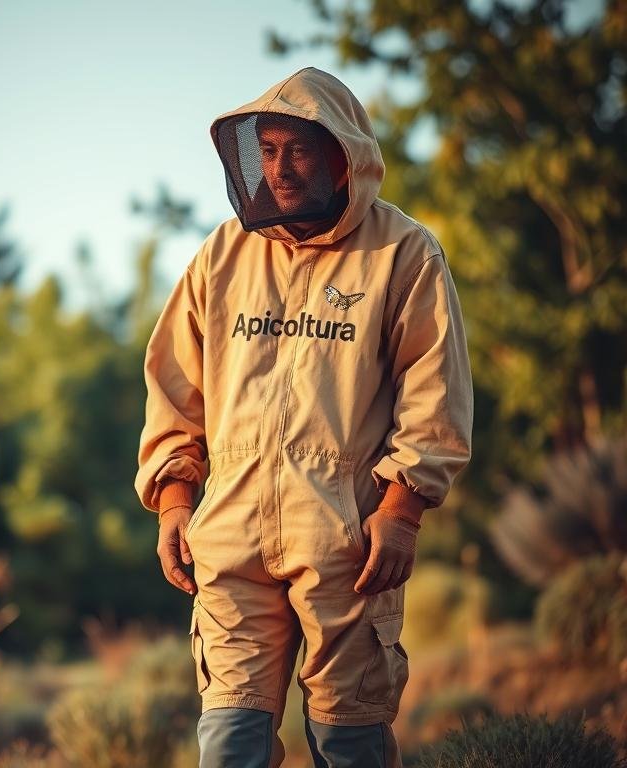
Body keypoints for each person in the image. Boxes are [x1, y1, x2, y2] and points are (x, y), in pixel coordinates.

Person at [134, 66, 474, 768]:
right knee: (230, 746)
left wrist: (402, 510)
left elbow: (434, 391)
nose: (279, 167)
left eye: (298, 150)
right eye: (268, 151)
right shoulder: (222, 255)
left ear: (342, 157)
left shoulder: (403, 253)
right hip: (227, 539)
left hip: (348, 542)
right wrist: (173, 501)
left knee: (349, 744)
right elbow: (174, 388)